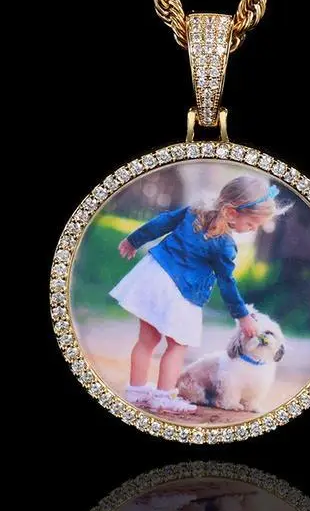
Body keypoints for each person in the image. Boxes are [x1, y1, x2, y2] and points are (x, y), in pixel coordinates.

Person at [110, 175, 282, 413]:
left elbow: (162, 222)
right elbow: (226, 282)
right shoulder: (224, 245)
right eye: (252, 224)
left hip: (153, 275)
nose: (253, 229)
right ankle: (164, 396)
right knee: (177, 345)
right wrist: (242, 315)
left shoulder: (194, 210)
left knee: (147, 340)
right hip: (180, 289)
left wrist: (134, 240)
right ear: (232, 212)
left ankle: (136, 391)